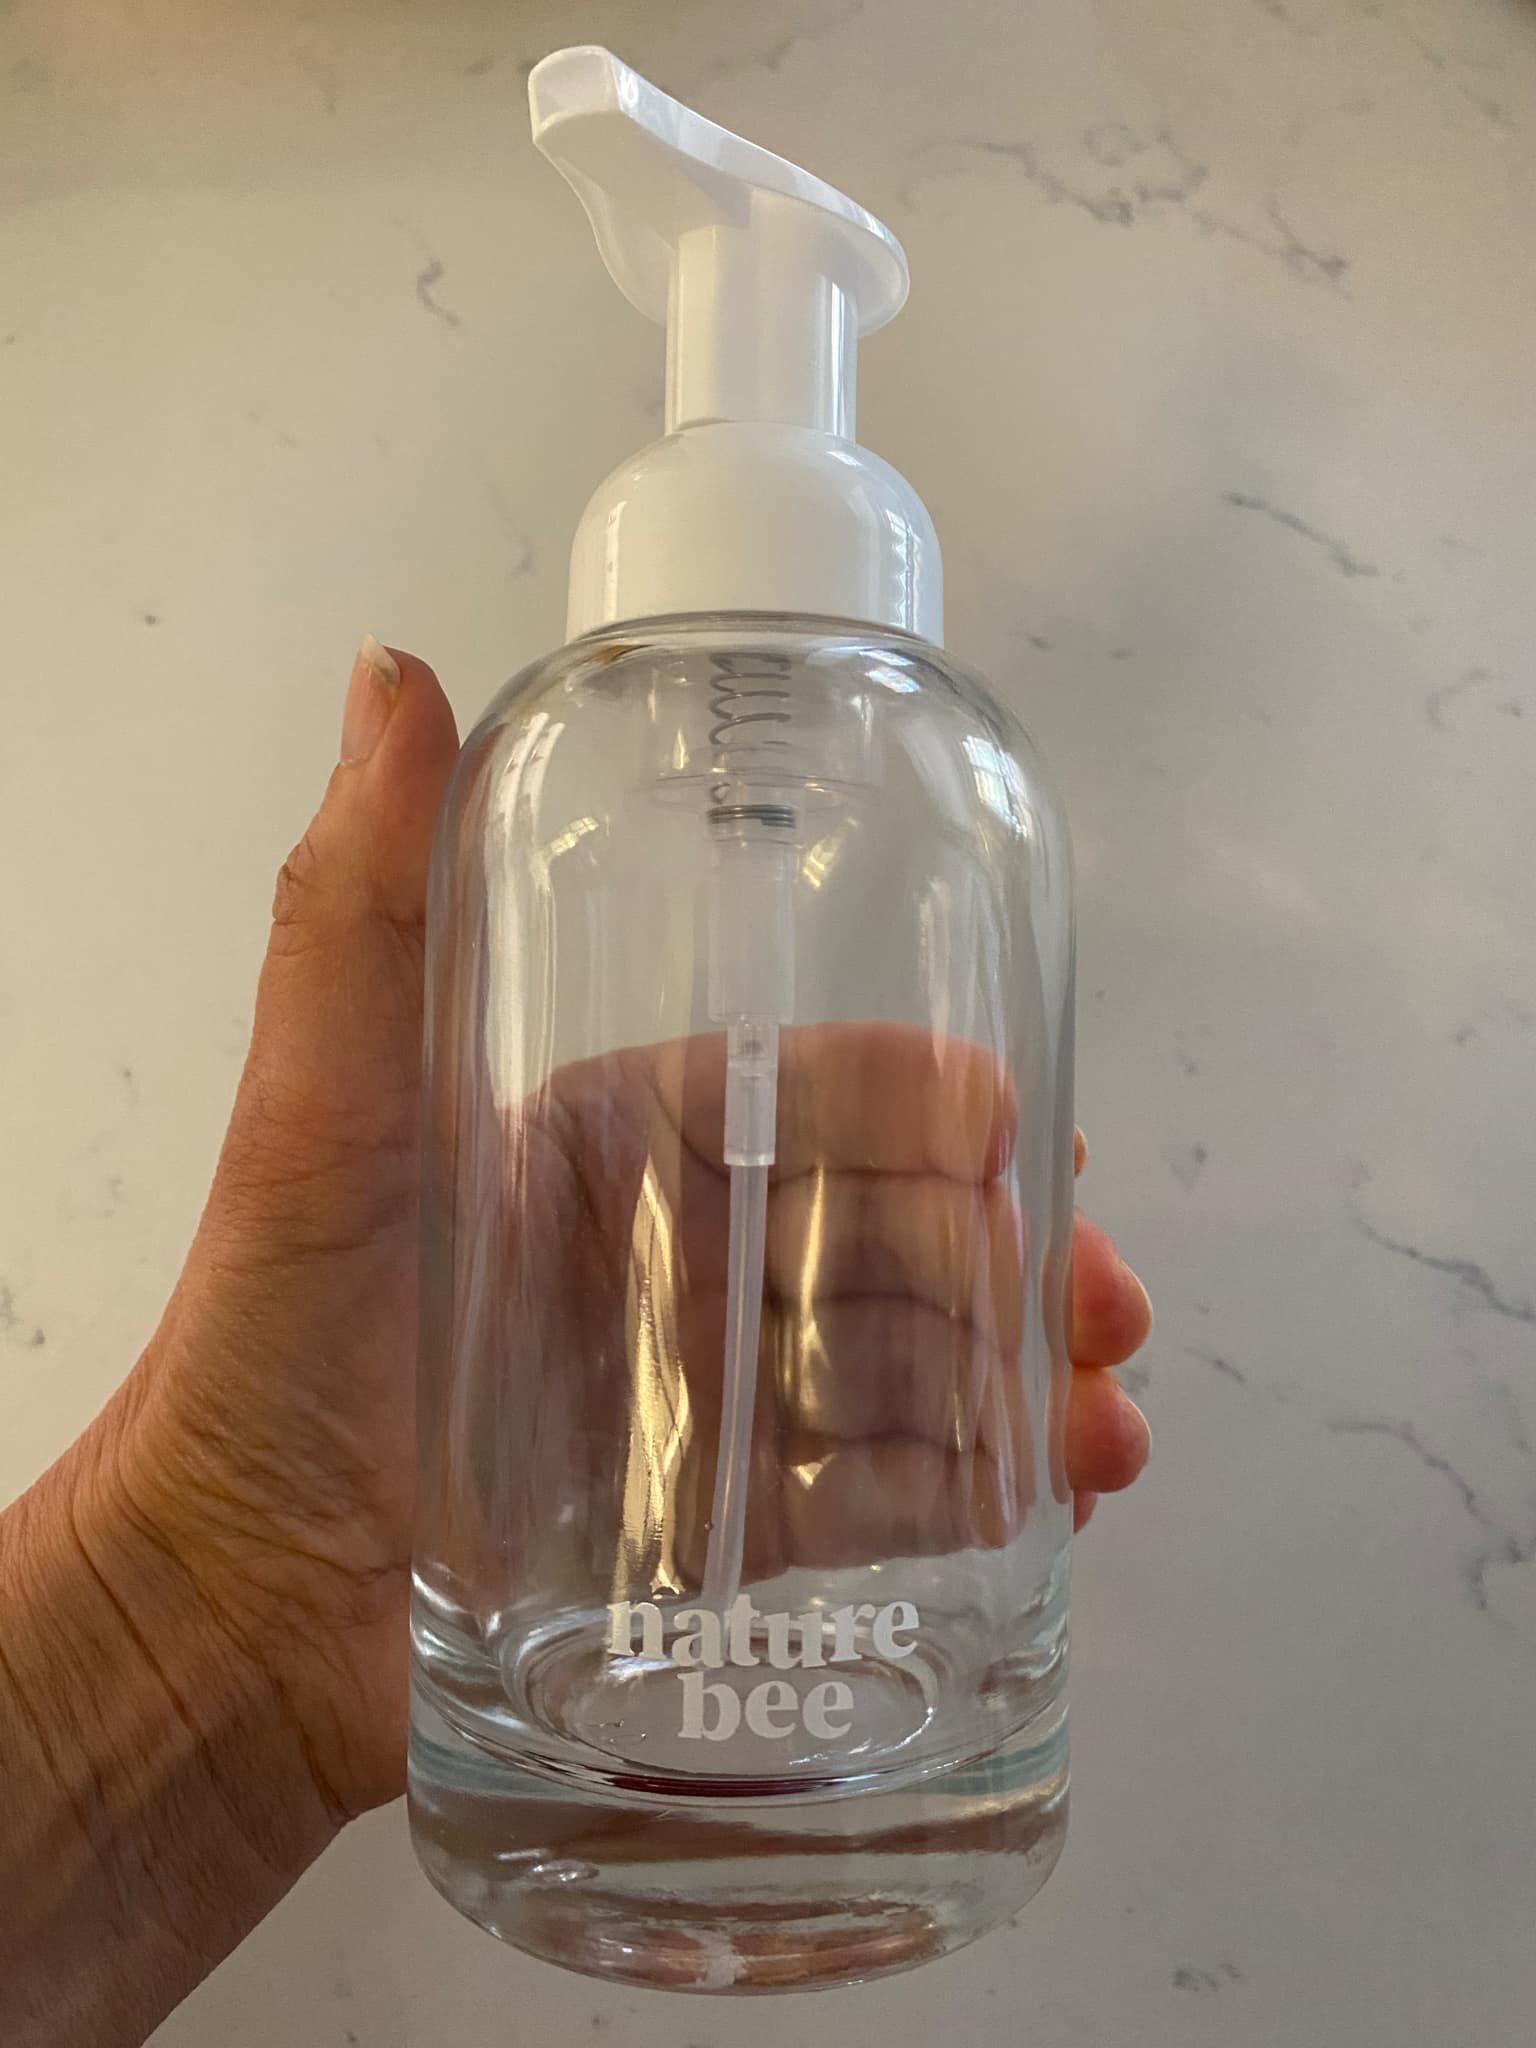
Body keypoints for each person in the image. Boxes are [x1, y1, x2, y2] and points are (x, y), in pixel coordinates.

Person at [0, 642, 1154, 2047]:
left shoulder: (974, 774)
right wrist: (230, 1576)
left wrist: (212, 1620)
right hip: (521, 1730)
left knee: (995, 1236)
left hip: (933, 1769)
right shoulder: (542, 766)